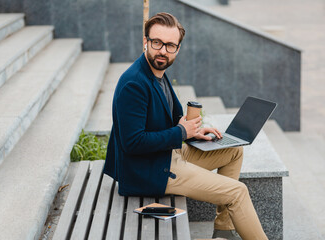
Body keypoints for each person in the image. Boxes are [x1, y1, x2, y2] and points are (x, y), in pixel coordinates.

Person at [103, 12, 268, 240]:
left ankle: (223, 230)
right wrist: (181, 132)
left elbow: (166, 121)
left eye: (170, 45)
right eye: (157, 42)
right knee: (238, 192)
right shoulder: (134, 83)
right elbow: (133, 143)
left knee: (234, 151)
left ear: (178, 49)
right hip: (149, 171)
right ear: (146, 42)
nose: (163, 51)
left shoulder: (158, 72)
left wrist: (194, 132)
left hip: (166, 155)